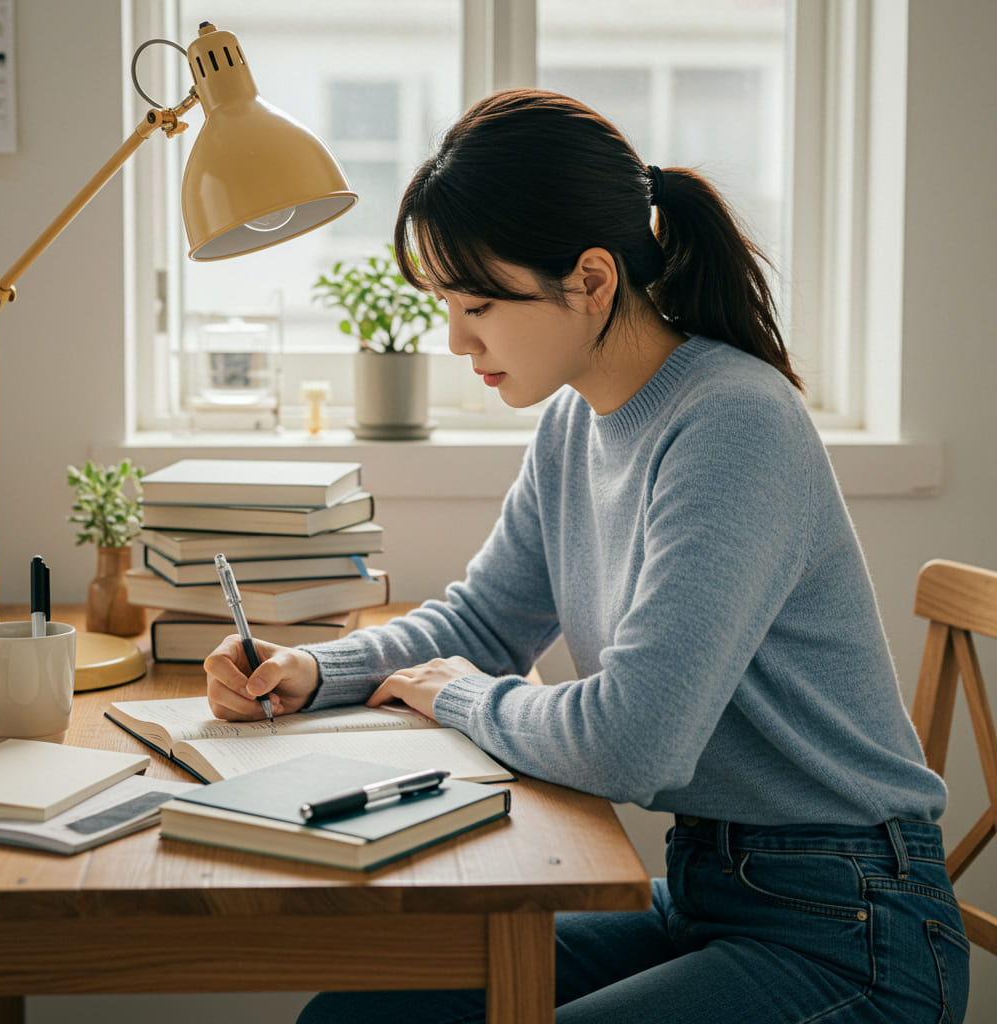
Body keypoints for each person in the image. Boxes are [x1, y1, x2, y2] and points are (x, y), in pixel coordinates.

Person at [204, 89, 970, 1023]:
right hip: (706, 896)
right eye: (445, 301)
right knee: (357, 1014)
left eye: (479, 301)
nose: (457, 338)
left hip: (852, 928)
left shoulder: (734, 422)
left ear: (593, 281)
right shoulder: (576, 420)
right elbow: (486, 622)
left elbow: (631, 739)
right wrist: (312, 669)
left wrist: (456, 694)